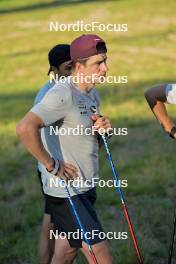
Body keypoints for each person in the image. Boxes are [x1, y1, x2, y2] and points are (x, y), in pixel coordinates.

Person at [16, 34, 113, 264]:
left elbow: (92, 142)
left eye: (105, 61)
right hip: (67, 192)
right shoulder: (61, 93)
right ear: (79, 66)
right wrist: (52, 165)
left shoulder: (91, 93)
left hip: (86, 186)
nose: (105, 68)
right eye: (98, 63)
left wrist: (103, 131)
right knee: (99, 254)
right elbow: (25, 128)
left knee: (66, 251)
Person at [35, 44, 72, 264]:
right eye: (68, 68)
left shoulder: (63, 89)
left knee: (51, 223)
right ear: (54, 69)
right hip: (55, 174)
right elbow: (27, 130)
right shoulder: (50, 96)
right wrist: (52, 166)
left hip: (59, 172)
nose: (73, 73)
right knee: (63, 236)